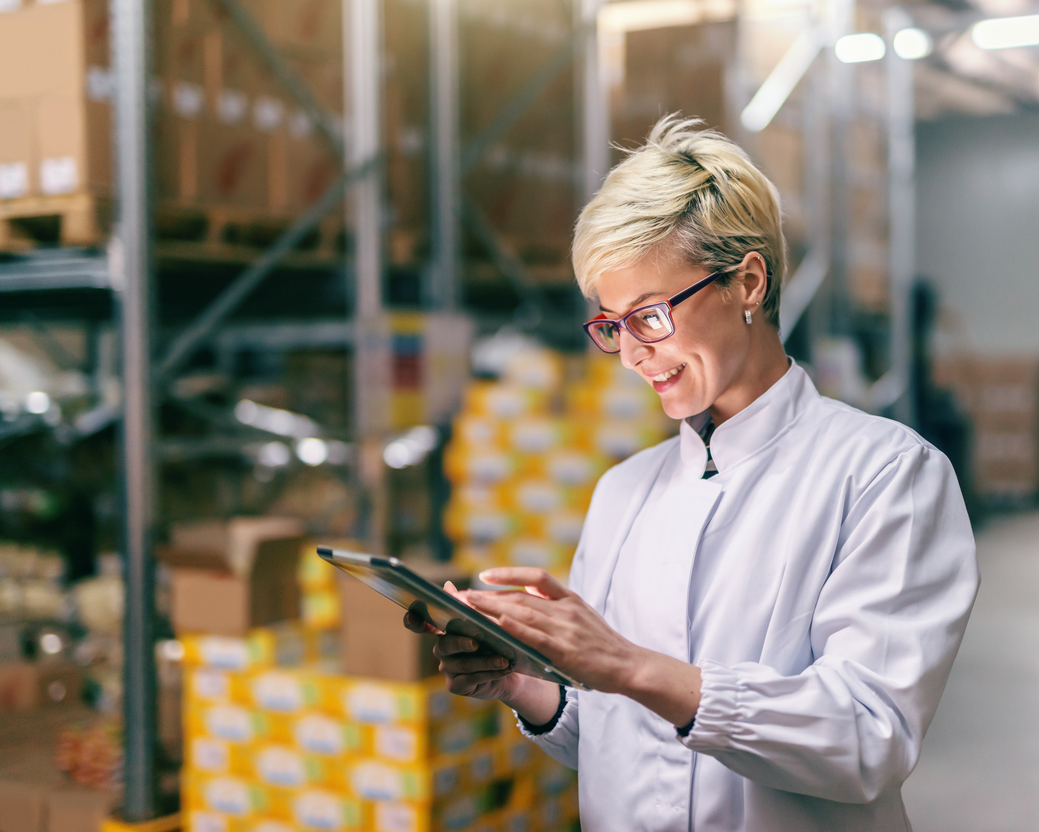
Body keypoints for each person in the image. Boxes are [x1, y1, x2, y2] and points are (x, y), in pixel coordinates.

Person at [406, 116, 979, 832]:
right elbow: (617, 739)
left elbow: (868, 736)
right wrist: (524, 683)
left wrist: (626, 663)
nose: (632, 355)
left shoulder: (886, 475)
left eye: (650, 314)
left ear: (747, 282)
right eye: (611, 325)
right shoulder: (623, 492)